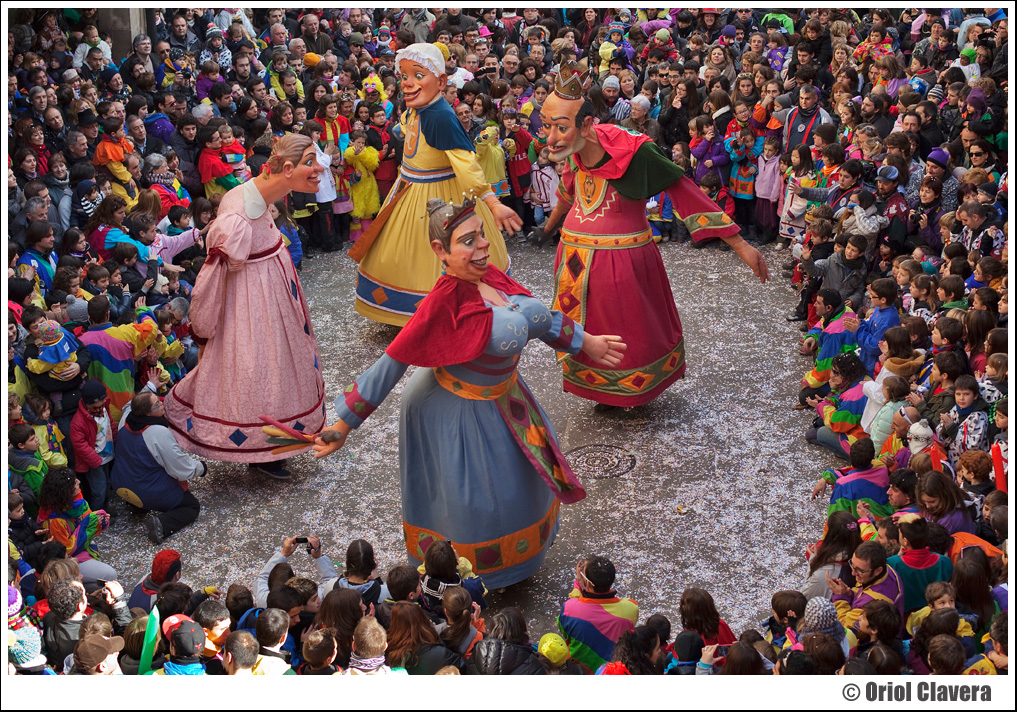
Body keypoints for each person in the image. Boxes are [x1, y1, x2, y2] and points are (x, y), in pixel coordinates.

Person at [314, 196, 623, 589]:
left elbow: (539, 318)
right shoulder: (442, 302)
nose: (482, 247)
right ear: (440, 250)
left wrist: (585, 342)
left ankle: (519, 562)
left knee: (519, 489)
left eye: (482, 235)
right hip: (458, 412)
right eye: (468, 240)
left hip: (507, 400)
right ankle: (478, 575)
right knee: (475, 503)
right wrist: (344, 423)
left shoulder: (494, 278)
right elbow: (393, 361)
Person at [528, 57, 768, 410]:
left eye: (560, 128)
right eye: (548, 127)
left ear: (588, 123)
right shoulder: (576, 149)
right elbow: (570, 189)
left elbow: (684, 190)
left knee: (627, 334)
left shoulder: (636, 152)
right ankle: (599, 391)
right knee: (589, 331)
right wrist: (547, 231)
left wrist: (742, 246)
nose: (550, 140)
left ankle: (629, 392)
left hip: (622, 263)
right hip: (575, 262)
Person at [164, 134, 326, 480]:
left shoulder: (260, 196)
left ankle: (275, 444)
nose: (319, 168)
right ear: (286, 168)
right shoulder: (237, 219)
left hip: (271, 297)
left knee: (279, 371)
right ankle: (261, 451)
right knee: (260, 373)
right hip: (253, 309)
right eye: (310, 161)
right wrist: (205, 327)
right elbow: (212, 279)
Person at [347, 43, 520, 326]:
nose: (408, 83)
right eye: (404, 76)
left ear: (440, 81)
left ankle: (436, 314)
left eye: (418, 75)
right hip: (410, 187)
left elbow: (467, 165)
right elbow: (406, 127)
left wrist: (493, 202)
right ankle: (413, 311)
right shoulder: (419, 108)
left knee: (433, 256)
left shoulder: (440, 116)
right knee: (405, 255)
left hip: (439, 196)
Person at [110, 391, 205, 544]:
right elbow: (180, 468)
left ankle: (137, 506)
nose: (161, 404)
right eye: (157, 404)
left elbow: (129, 404)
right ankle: (162, 524)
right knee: (191, 507)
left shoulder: (125, 419)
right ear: (148, 413)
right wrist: (200, 468)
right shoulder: (156, 433)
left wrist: (150, 385)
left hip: (121, 483)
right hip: (147, 491)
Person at [556, 555, 638, 673]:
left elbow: (563, 629)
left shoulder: (570, 609)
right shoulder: (631, 608)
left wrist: (578, 589)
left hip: (579, 671)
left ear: (588, 584)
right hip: (612, 672)